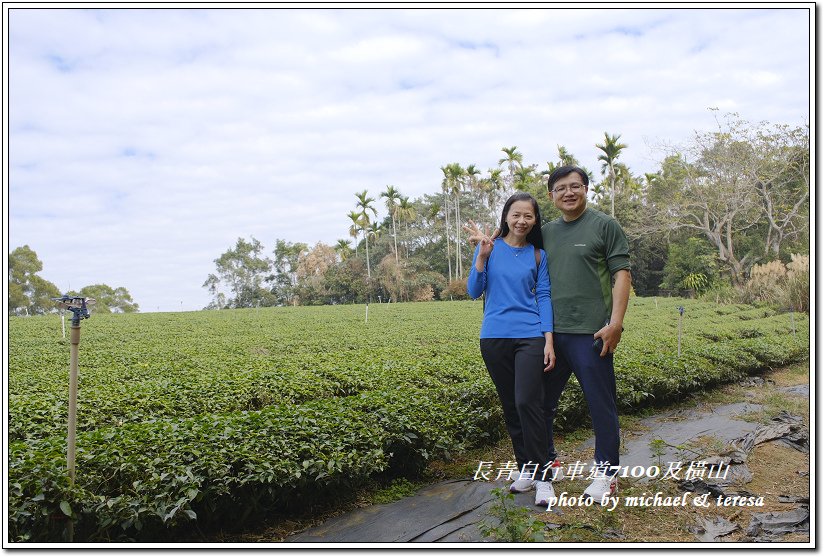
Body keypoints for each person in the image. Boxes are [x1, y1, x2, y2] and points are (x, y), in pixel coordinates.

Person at [541, 165, 632, 502]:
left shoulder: (604, 225)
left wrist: (616, 323)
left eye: (575, 186)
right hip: (551, 335)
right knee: (542, 404)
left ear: (586, 189)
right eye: (561, 188)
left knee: (600, 404)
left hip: (591, 333)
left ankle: (606, 475)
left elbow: (621, 274)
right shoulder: (546, 231)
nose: (568, 192)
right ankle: (548, 462)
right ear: (551, 196)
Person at [465, 192, 558, 507]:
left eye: (528, 216)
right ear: (506, 216)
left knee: (528, 402)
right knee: (511, 406)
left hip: (530, 336)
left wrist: (548, 339)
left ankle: (545, 478)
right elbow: (474, 291)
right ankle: (527, 470)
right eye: (516, 214)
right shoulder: (490, 249)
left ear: (534, 221)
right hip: (494, 338)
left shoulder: (537, 255)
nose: (522, 221)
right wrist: (481, 256)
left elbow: (543, 296)